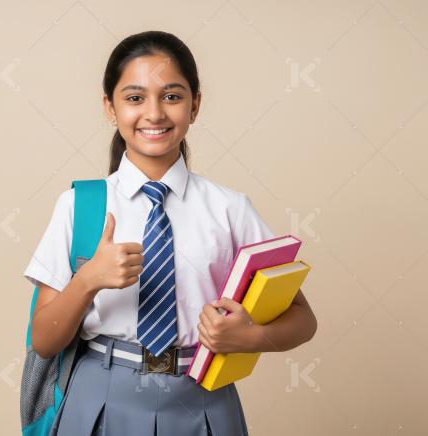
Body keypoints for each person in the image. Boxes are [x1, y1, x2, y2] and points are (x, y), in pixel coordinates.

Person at [23, 30, 317, 435]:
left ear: (195, 105)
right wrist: (88, 280)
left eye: (172, 96)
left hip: (203, 398)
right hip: (99, 398)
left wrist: (250, 336)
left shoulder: (230, 209)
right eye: (134, 97)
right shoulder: (79, 206)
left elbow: (304, 320)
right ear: (110, 107)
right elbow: (43, 340)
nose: (155, 113)